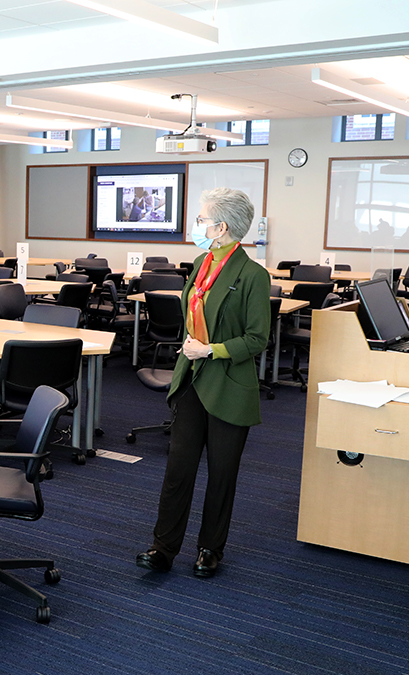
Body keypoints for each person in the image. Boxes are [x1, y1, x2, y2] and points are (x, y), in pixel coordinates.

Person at [136, 188, 270, 579]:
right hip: (192, 378)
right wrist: (194, 347)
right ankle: (163, 548)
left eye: (201, 219)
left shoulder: (252, 276)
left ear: (221, 226)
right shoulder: (200, 262)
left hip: (227, 382)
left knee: (221, 473)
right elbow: (194, 313)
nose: (196, 225)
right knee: (178, 469)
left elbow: (258, 339)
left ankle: (210, 548)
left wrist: (211, 350)